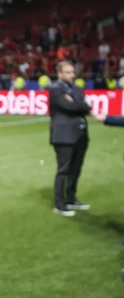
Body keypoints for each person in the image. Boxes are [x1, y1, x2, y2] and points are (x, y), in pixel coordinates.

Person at [49, 61, 92, 217]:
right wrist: (80, 105)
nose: (72, 75)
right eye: (68, 72)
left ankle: (71, 199)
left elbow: (86, 107)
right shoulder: (55, 89)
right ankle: (59, 205)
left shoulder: (77, 88)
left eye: (73, 72)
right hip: (64, 135)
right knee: (63, 170)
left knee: (76, 169)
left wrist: (78, 104)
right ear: (59, 74)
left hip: (80, 134)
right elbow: (69, 107)